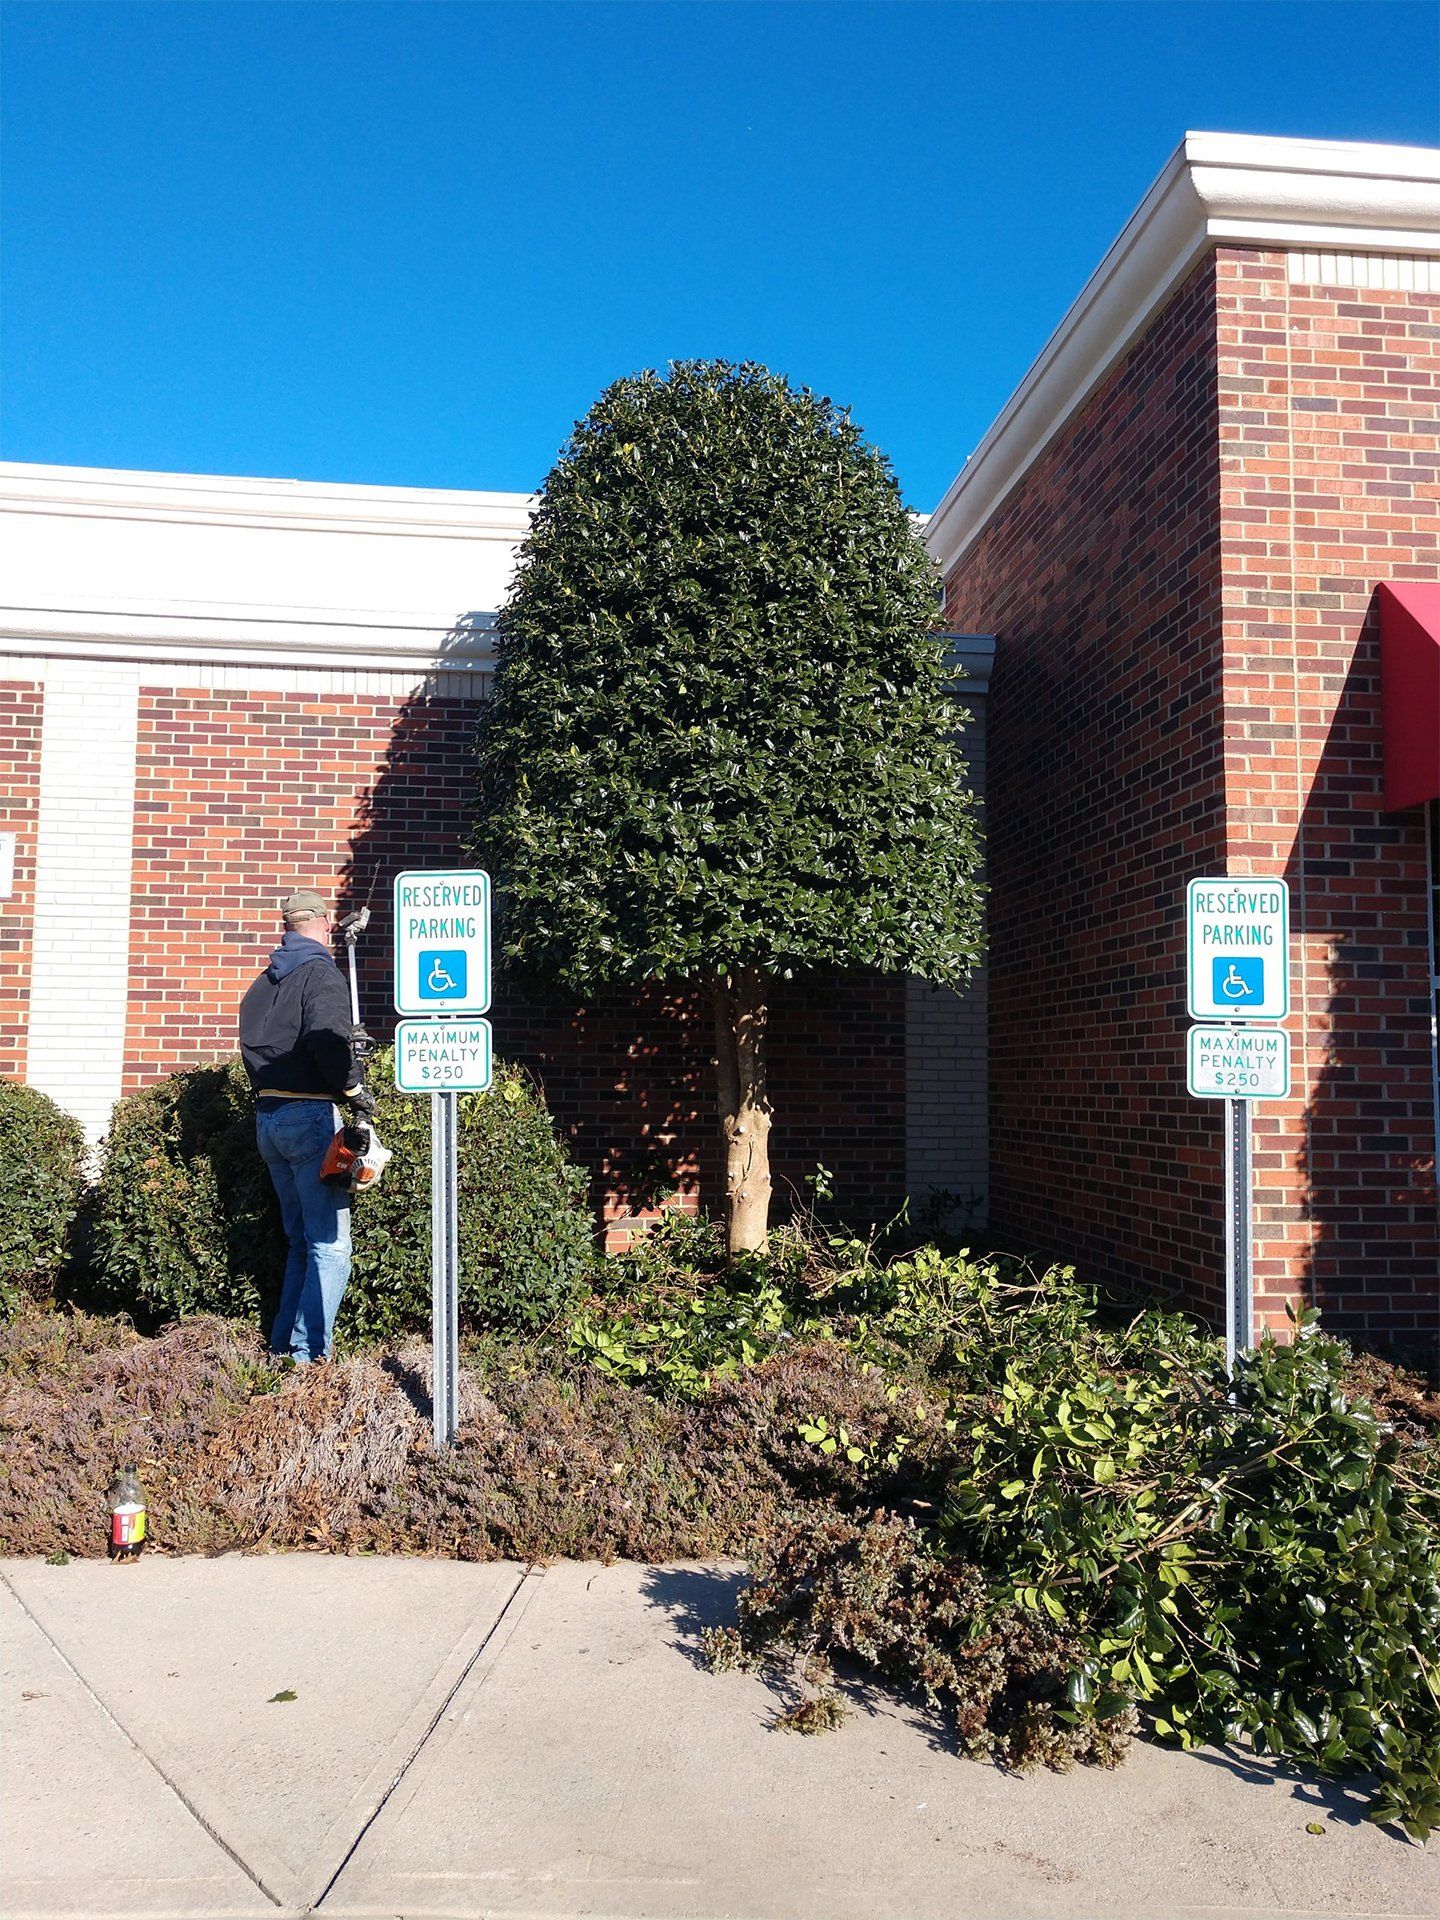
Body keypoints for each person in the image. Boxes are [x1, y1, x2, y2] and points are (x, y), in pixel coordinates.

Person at [239, 889, 375, 1363]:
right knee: (331, 1246)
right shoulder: (321, 974)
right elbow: (329, 1044)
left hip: (268, 1120)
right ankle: (308, 1358)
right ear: (322, 923)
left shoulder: (261, 984)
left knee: (302, 1242)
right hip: (308, 1117)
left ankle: (282, 1350)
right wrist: (356, 1091)